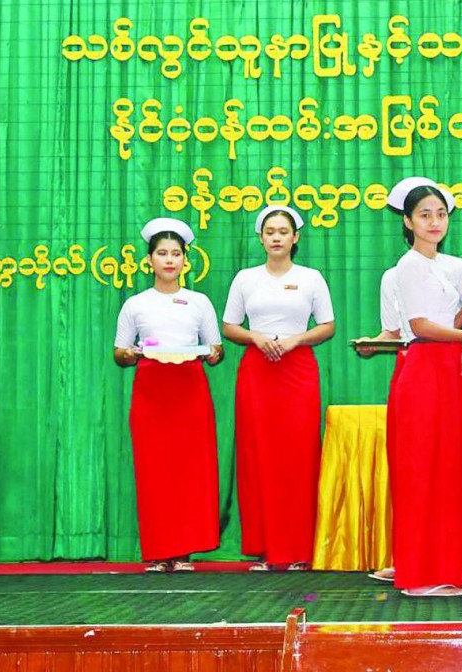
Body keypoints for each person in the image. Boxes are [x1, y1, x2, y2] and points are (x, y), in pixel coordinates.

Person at [386, 176, 462, 596]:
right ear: (408, 221)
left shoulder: (454, 266)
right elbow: (421, 327)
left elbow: (451, 322)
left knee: (450, 467)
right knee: (420, 468)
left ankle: (446, 566)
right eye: (424, 215)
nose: (434, 222)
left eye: (440, 214)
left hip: (452, 372)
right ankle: (417, 575)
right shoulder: (407, 266)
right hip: (422, 367)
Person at [354, 265, 462, 583]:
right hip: (411, 365)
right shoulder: (393, 275)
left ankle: (449, 558)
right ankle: (408, 558)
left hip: (449, 364)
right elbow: (394, 332)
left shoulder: (456, 268)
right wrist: (372, 343)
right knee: (409, 466)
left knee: (449, 463)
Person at [222, 205, 336, 571]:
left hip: (297, 368)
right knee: (259, 454)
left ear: (295, 237)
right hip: (257, 371)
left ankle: (300, 548)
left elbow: (328, 326)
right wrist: (255, 337)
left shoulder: (311, 278)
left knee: (299, 455)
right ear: (260, 238)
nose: (276, 238)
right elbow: (229, 326)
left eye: (283, 232)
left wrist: (295, 340)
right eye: (269, 232)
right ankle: (265, 548)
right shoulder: (246, 278)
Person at [113, 217, 224, 572]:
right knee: (155, 470)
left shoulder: (199, 302)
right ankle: (159, 552)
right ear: (149, 260)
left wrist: (212, 354)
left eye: (176, 253)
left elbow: (216, 349)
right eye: (162, 253)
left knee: (191, 470)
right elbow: (119, 353)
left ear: (185, 260)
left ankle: (185, 551)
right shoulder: (135, 304)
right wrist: (130, 354)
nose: (169, 260)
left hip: (189, 389)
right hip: (151, 390)